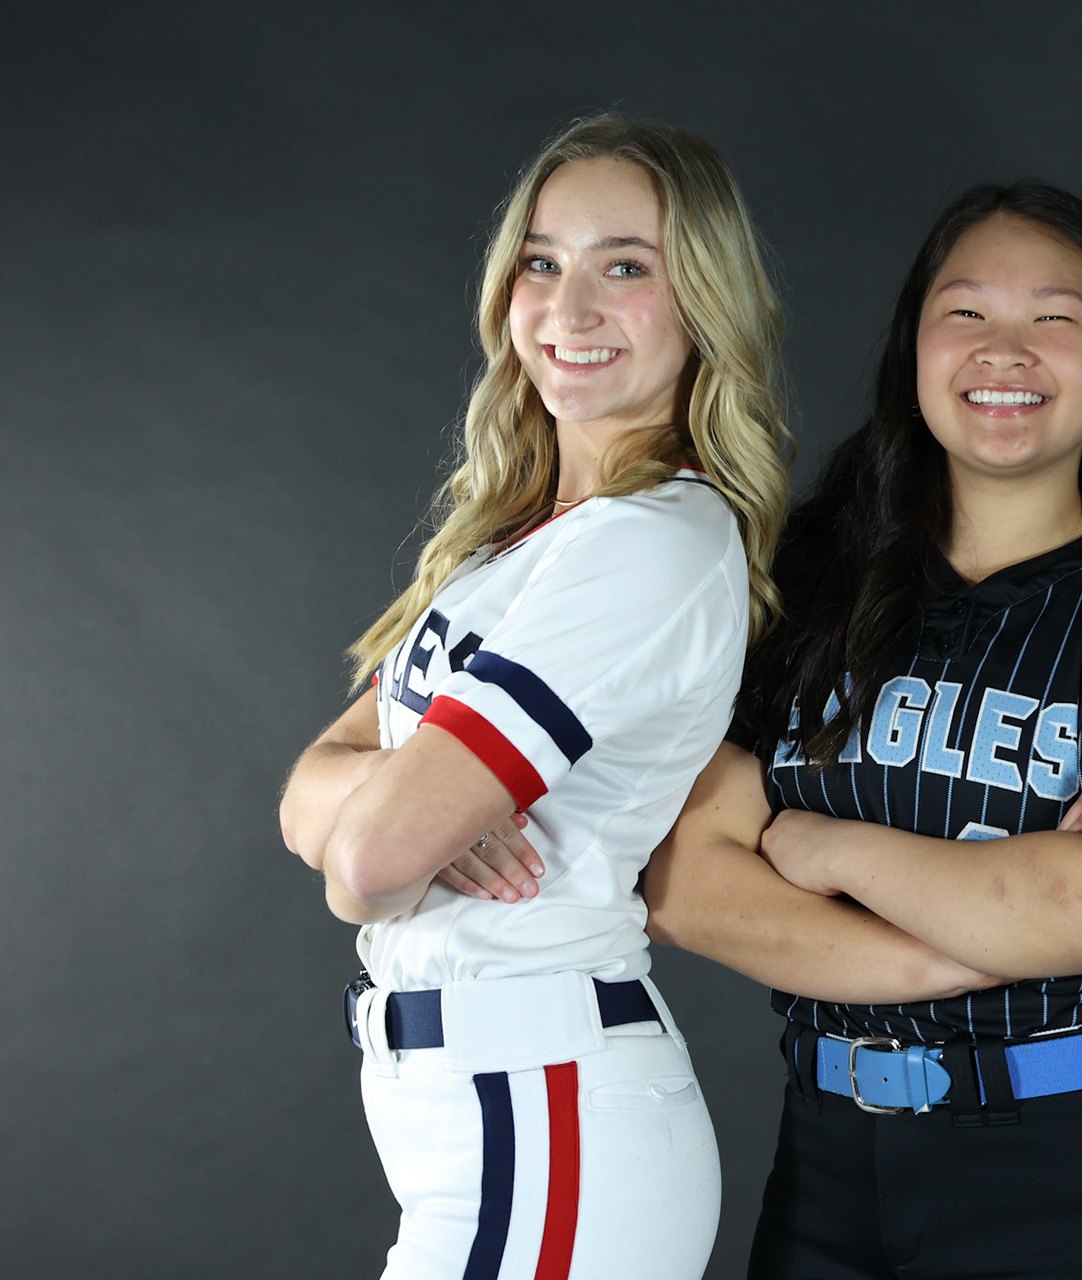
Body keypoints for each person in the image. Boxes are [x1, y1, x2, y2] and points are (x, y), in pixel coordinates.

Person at [643, 180, 1082, 1279]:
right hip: (827, 1159)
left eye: (1053, 318)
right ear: (913, 355)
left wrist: (823, 847)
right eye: (964, 313)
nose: (1002, 350)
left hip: (1075, 1167)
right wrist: (983, 930)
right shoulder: (811, 577)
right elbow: (680, 882)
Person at [278, 114, 789, 1280]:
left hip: (543, 1110)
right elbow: (315, 786)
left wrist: (400, 817)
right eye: (542, 262)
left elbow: (363, 865)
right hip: (483, 1108)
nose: (569, 307)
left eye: (627, 266)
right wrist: (400, 807)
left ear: (706, 299)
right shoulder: (514, 540)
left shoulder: (652, 540)